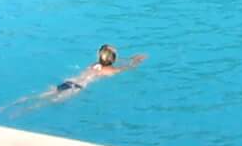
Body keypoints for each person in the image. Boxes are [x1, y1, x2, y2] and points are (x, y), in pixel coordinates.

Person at [12, 43, 145, 110]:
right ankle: (23, 111)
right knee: (46, 103)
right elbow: (128, 67)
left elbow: (107, 63)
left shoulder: (94, 65)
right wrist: (136, 60)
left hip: (70, 82)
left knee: (42, 95)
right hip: (77, 87)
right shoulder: (111, 71)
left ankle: (13, 104)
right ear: (113, 59)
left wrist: (128, 58)